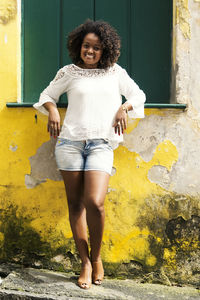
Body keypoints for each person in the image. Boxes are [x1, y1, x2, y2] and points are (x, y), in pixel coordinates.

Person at [34, 20, 146, 289]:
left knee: (95, 202)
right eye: (86, 46)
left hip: (100, 145)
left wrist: (124, 108)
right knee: (75, 205)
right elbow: (47, 94)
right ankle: (84, 262)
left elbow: (138, 95)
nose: (90, 51)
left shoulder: (115, 72)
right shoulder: (69, 72)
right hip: (69, 143)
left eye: (96, 47)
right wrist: (52, 109)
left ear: (104, 49)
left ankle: (97, 258)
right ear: (79, 46)